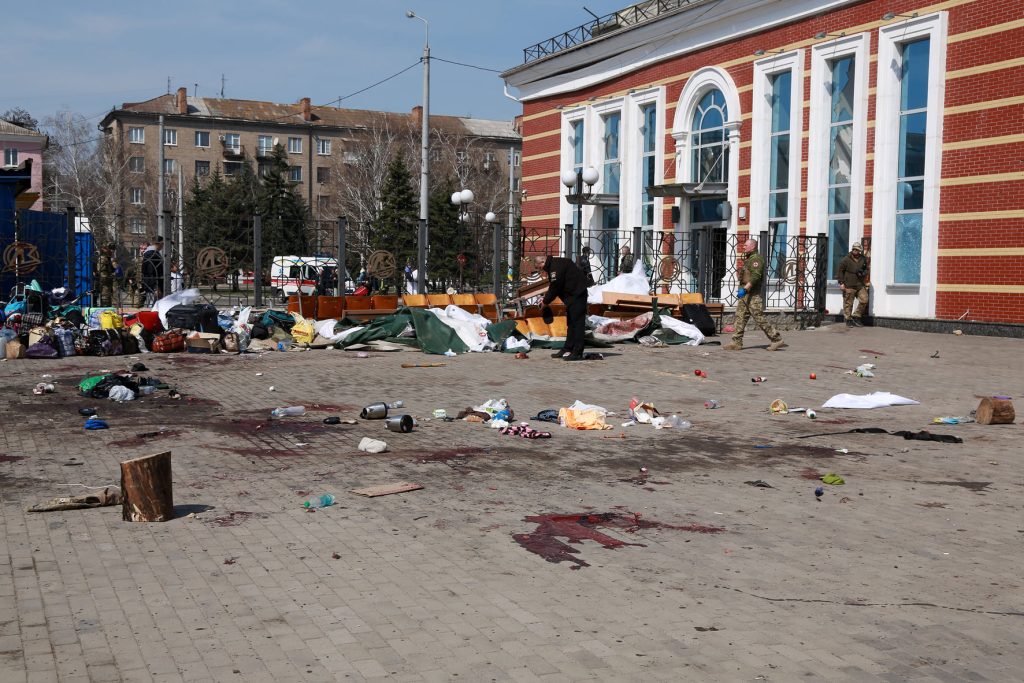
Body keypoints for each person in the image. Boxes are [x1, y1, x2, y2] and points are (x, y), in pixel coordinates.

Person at [724, 239, 785, 351]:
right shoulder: (749, 259)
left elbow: (755, 276)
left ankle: (776, 339)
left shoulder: (756, 259)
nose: (743, 247)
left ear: (752, 247)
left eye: (745, 245)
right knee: (740, 317)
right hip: (745, 295)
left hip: (752, 294)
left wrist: (745, 289)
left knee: (759, 317)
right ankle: (736, 342)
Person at [534, 254, 589, 361]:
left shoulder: (555, 267)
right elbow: (554, 286)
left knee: (578, 324)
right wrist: (546, 299)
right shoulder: (555, 264)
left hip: (577, 295)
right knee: (571, 323)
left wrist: (545, 302)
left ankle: (578, 352)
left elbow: (555, 286)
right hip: (572, 296)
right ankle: (567, 348)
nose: (541, 270)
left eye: (539, 267)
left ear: (542, 262)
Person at [836, 242, 869, 327]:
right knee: (848, 303)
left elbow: (866, 269)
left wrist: (863, 273)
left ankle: (856, 316)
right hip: (848, 284)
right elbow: (840, 271)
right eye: (854, 249)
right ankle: (848, 319)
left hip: (859, 284)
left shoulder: (863, 259)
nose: (855, 251)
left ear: (860, 251)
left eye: (857, 249)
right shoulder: (846, 259)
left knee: (864, 299)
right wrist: (841, 283)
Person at [141, 237, 165, 304]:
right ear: (159, 244)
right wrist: (155, 287)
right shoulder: (151, 254)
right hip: (152, 286)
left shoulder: (153, 253)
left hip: (154, 285)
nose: (163, 245)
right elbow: (150, 271)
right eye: (163, 243)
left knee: (156, 307)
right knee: (153, 308)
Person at [96, 242, 115, 307]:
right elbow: (101, 271)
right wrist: (109, 277)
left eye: (113, 249)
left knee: (108, 299)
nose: (112, 251)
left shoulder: (108, 258)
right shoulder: (103, 258)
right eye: (110, 249)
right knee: (105, 299)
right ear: (105, 249)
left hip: (108, 283)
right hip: (105, 284)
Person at [132, 241, 149, 307]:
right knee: (137, 304)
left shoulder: (150, 258)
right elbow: (134, 271)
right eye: (142, 249)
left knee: (150, 305)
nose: (143, 250)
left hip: (148, 284)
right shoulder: (138, 259)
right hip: (139, 284)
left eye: (145, 249)